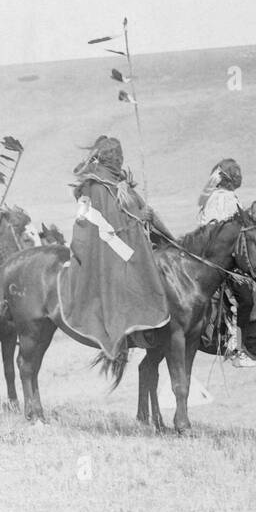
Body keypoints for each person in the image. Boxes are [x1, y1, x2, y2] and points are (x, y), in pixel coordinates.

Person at [56, 135, 174, 359]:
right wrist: (139, 217)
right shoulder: (97, 186)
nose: (119, 159)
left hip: (127, 240)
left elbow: (134, 210)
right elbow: (106, 221)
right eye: (115, 155)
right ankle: (125, 333)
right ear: (107, 157)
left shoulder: (118, 183)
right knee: (128, 274)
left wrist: (148, 217)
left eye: (120, 155)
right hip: (107, 247)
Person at [196, 158, 256, 354]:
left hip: (225, 256)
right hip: (220, 260)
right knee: (246, 298)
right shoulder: (221, 199)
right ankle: (237, 344)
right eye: (235, 174)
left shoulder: (227, 197)